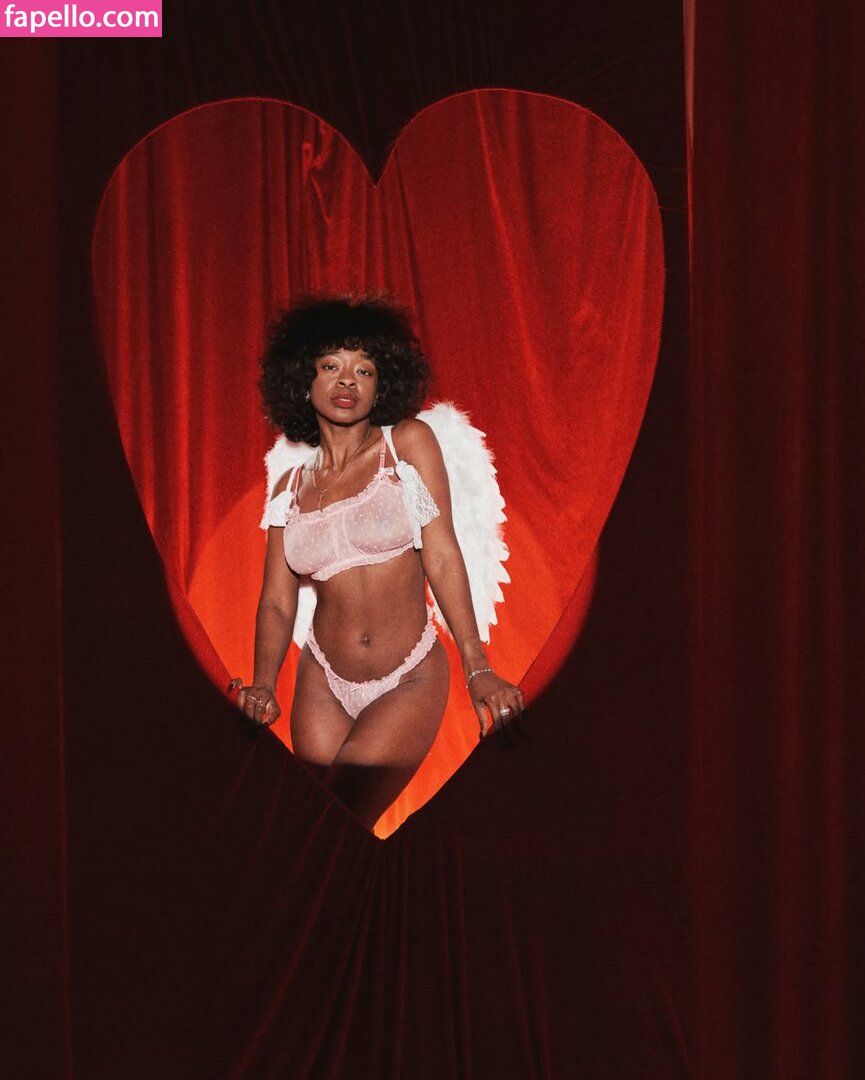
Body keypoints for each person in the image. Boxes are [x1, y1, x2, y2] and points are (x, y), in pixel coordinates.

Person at [231, 295, 523, 830]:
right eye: (331, 366)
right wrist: (264, 685)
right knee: (321, 835)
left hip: (408, 675)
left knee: (334, 827)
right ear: (303, 380)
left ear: (382, 383)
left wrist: (478, 667)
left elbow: (442, 554)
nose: (348, 380)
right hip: (322, 681)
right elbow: (276, 601)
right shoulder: (288, 487)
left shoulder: (407, 444)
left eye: (364, 369)